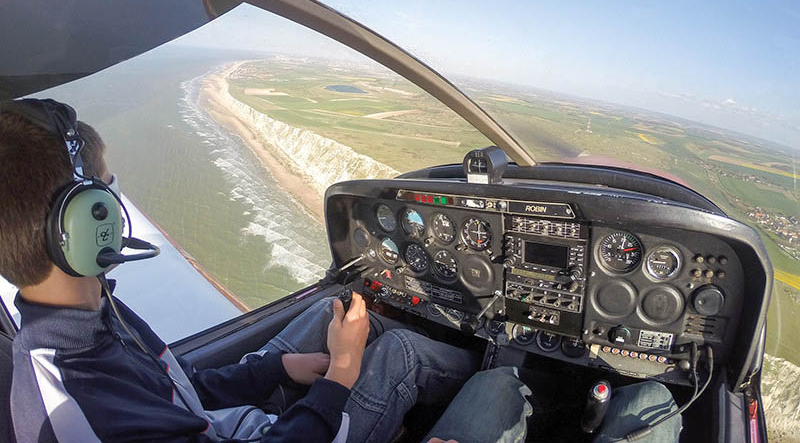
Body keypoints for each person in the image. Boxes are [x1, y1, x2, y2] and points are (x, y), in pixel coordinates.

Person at [0, 99, 480, 443]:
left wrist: (277, 368)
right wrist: (343, 374)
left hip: (224, 421)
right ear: (87, 221)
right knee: (404, 353)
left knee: (324, 312)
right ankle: (500, 369)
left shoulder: (93, 319)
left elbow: (177, 389)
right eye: (108, 192)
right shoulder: (85, 414)